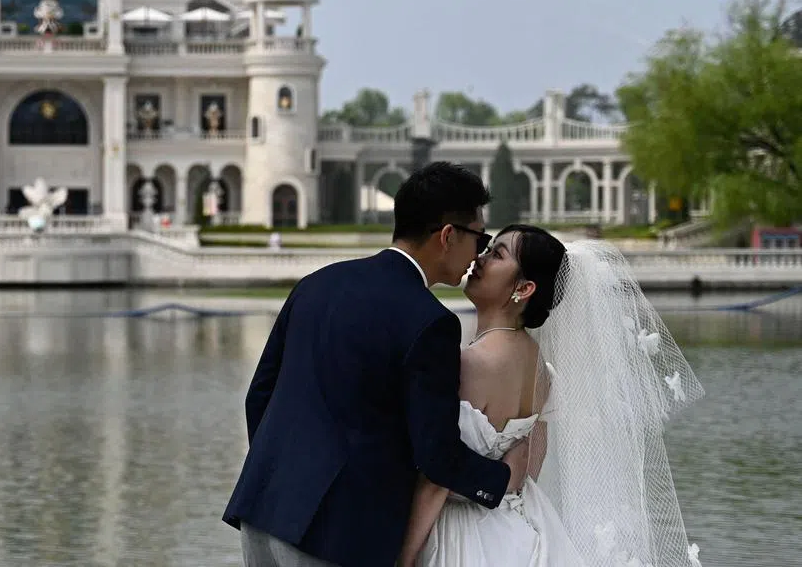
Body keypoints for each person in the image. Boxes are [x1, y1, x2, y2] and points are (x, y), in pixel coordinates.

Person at [222, 162, 529, 567]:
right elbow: (435, 453)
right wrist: (503, 479)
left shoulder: (317, 283)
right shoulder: (431, 321)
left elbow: (259, 394)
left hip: (262, 510)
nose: (478, 254)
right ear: (448, 236)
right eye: (479, 238)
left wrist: (278, 473)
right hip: (338, 533)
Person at [402, 226, 705, 567]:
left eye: (497, 254)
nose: (480, 258)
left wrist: (406, 555)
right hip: (523, 529)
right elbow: (532, 462)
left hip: (461, 533)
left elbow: (437, 478)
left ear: (524, 288)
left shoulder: (471, 363)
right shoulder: (540, 367)